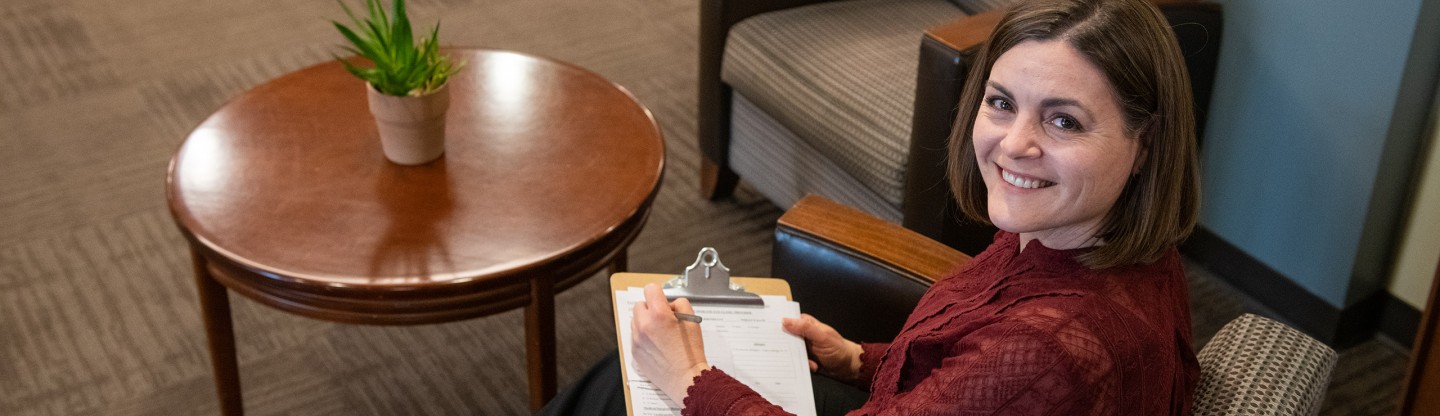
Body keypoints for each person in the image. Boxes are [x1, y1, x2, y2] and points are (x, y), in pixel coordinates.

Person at [544, 0, 1201, 413]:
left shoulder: (1050, 346)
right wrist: (861, 360)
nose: (1014, 145)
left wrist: (693, 383)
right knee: (625, 375)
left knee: (645, 380)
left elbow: (1009, 373)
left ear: (1144, 145)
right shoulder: (1090, 236)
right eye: (1001, 103)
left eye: (1065, 121)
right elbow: (969, 371)